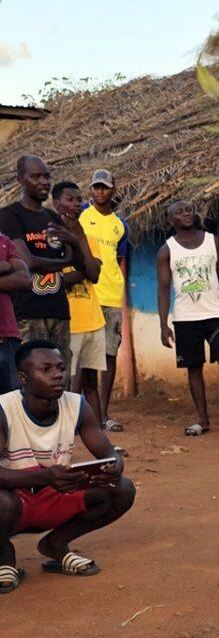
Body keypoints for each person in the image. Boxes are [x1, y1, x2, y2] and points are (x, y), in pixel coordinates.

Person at [0, 340, 135, 593]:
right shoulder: (4, 409)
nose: (58, 375)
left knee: (122, 489)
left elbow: (108, 453)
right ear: (23, 378)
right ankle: (4, 557)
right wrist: (44, 477)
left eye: (61, 368)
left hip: (56, 493)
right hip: (15, 500)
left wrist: (115, 466)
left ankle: (56, 544)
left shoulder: (76, 405)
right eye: (46, 369)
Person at [157, 200, 219, 437]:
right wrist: (163, 325)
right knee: (193, 368)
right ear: (170, 220)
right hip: (185, 319)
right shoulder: (167, 250)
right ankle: (202, 419)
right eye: (179, 212)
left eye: (189, 209)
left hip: (215, 315)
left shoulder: (212, 241)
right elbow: (163, 288)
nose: (186, 213)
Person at [0, 155, 82, 373]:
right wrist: (64, 261)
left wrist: (74, 243)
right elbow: (27, 261)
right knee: (31, 378)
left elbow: (79, 262)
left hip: (59, 310)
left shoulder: (53, 218)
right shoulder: (9, 215)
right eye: (35, 177)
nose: (44, 182)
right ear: (20, 179)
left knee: (60, 379)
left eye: (46, 176)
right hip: (28, 312)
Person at [79, 168, 129, 433]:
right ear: (91, 189)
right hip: (85, 295)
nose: (100, 191)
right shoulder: (81, 215)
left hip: (111, 296)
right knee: (82, 357)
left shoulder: (121, 225)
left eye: (105, 187)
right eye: (96, 187)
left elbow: (118, 260)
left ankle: (104, 414)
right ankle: (79, 414)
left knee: (109, 354)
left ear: (113, 189)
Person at [52, 182, 106, 423]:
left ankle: (97, 431)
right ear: (56, 203)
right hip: (68, 322)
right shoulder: (48, 241)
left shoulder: (87, 237)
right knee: (66, 383)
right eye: (69, 199)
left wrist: (78, 238)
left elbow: (94, 275)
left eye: (78, 199)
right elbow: (56, 281)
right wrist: (84, 268)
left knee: (91, 382)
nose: (76, 204)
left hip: (93, 320)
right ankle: (66, 430)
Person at [0, 234, 31, 394]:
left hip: (7, 340)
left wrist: (7, 267)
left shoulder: (3, 240)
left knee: (12, 403)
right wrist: (4, 267)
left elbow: (25, 279)